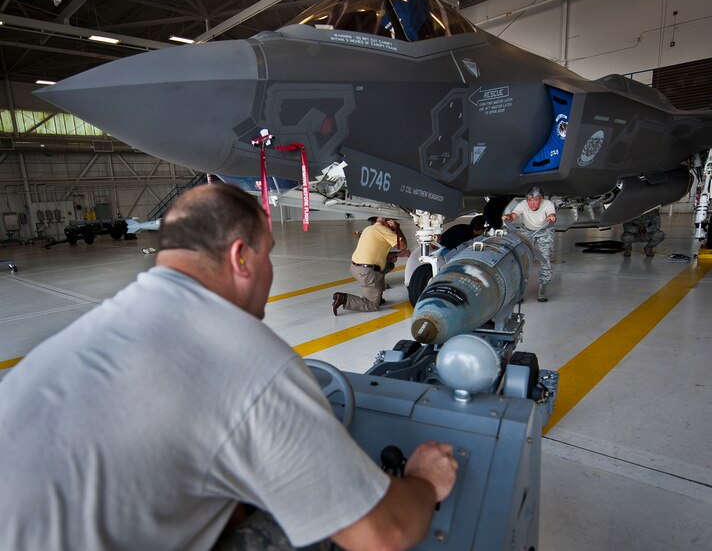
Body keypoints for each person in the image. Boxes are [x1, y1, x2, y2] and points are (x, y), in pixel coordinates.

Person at [0, 184, 457, 551]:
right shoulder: (251, 361)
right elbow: (385, 534)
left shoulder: (92, 331)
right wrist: (423, 481)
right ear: (241, 258)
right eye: (268, 254)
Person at [333, 217, 410, 315]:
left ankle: (379, 296)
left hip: (356, 268)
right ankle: (343, 299)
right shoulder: (384, 230)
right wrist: (397, 228)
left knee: (388, 265)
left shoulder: (368, 229)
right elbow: (403, 246)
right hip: (367, 273)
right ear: (388, 222)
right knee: (371, 305)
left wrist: (397, 255)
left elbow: (375, 252)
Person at [501, 187, 557, 302]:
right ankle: (520, 290)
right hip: (527, 230)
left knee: (544, 258)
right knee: (523, 260)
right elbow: (513, 215)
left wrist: (551, 217)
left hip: (544, 230)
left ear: (541, 199)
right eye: (530, 200)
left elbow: (552, 215)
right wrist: (508, 218)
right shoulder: (523, 204)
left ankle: (542, 288)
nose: (532, 203)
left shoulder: (548, 204)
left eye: (535, 200)